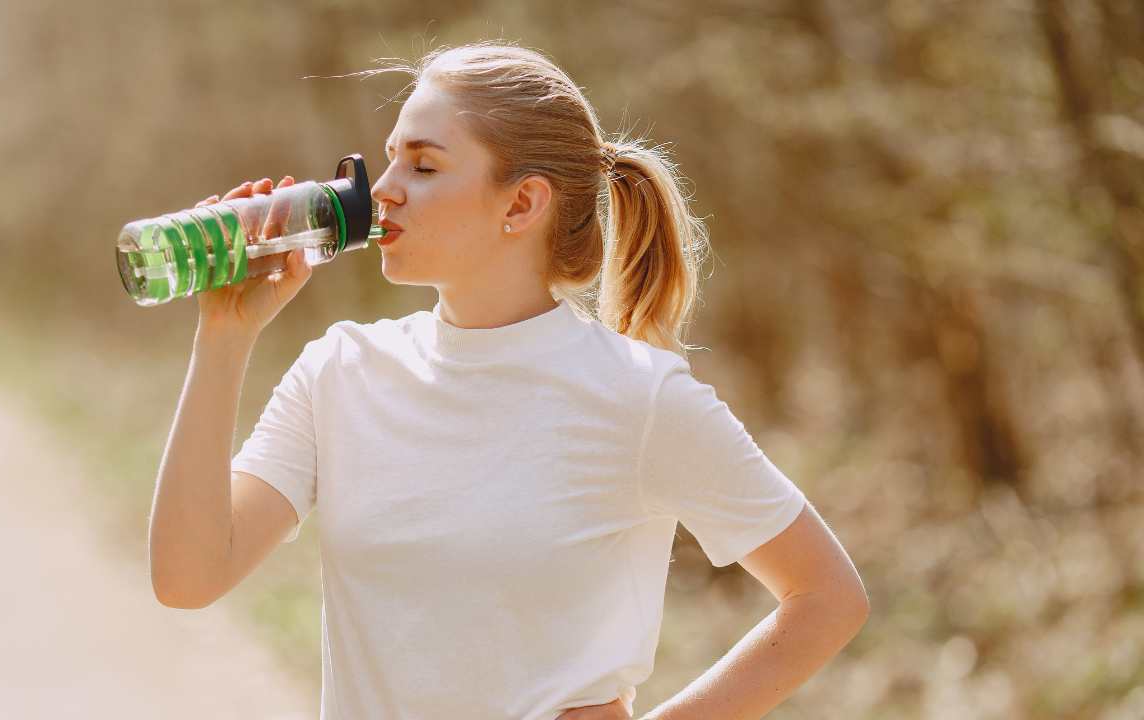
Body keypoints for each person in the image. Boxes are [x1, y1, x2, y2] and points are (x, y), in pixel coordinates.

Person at [148, 41, 869, 720]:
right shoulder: (339, 372)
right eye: (389, 159)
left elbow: (827, 598)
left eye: (424, 167)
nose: (384, 191)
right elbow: (187, 577)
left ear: (521, 204)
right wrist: (225, 336)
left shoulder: (637, 397)